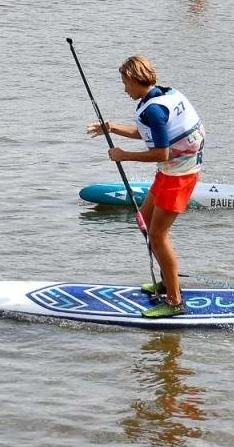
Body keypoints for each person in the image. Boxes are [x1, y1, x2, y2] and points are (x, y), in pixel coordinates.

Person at [87, 56, 206, 319]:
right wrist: (112, 127)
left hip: (179, 175)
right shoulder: (163, 95)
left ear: (134, 79)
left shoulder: (154, 109)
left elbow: (162, 153)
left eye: (124, 82)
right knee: (144, 217)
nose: (124, 88)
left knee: (158, 236)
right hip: (172, 171)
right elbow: (149, 133)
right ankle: (166, 282)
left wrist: (123, 155)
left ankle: (175, 301)